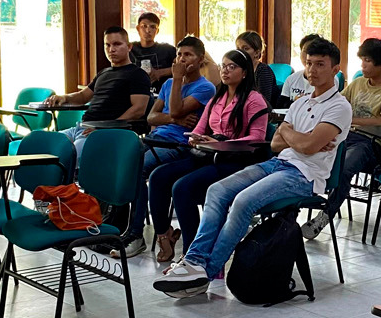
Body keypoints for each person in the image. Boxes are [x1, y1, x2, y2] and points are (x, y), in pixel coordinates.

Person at [155, 38, 351, 298]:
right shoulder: (300, 102)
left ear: (335, 69)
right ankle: (194, 262)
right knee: (217, 191)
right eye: (309, 64)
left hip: (304, 175)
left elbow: (306, 146)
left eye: (320, 65)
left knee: (242, 201)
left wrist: (291, 133)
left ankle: (206, 271)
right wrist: (293, 135)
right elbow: (277, 143)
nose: (312, 70)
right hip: (276, 163)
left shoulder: (340, 107)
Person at [149, 49, 270, 262]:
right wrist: (196, 138)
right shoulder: (218, 97)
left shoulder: (254, 99)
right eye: (223, 66)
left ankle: (191, 253)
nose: (225, 71)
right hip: (209, 155)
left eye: (232, 67)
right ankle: (164, 236)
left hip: (237, 161)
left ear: (244, 73)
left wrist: (221, 142)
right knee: (159, 176)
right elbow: (200, 128)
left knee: (182, 187)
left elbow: (257, 140)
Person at [302, 38, 381, 239]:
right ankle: (293, 208)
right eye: (362, 60)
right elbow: (337, 103)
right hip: (345, 135)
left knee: (343, 169)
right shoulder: (358, 83)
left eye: (367, 60)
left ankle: (325, 216)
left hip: (372, 142)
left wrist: (349, 119)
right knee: (306, 154)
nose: (363, 65)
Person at [122, 36, 216, 258]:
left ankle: (138, 234)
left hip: (180, 144)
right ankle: (153, 230)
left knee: (140, 169)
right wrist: (174, 120)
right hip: (156, 138)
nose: (182, 59)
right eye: (179, 54)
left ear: (200, 59)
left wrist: (177, 80)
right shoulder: (167, 85)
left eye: (188, 55)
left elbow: (173, 109)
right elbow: (152, 118)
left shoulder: (205, 88)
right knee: (123, 163)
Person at [43, 25, 152, 158]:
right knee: (45, 146)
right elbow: (83, 96)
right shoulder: (103, 73)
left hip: (106, 132)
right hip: (82, 127)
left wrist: (106, 129)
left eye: (117, 44)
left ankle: (74, 178)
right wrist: (64, 97)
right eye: (107, 45)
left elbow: (138, 110)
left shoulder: (137, 75)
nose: (111, 49)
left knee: (73, 154)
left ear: (129, 47)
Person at [129, 12, 176, 91]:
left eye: (153, 27)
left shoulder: (167, 50)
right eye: (144, 26)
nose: (148, 30)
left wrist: (160, 72)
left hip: (162, 95)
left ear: (157, 30)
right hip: (135, 95)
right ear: (138, 28)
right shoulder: (129, 48)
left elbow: (184, 67)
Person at [276, 33, 321, 108]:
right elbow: (280, 106)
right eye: (305, 51)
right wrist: (295, 102)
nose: (308, 56)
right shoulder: (291, 79)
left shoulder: (329, 79)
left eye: (313, 52)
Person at [236, 30, 276, 104]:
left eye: (245, 49)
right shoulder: (240, 70)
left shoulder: (263, 70)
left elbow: (263, 101)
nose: (240, 52)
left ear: (257, 53)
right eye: (238, 49)